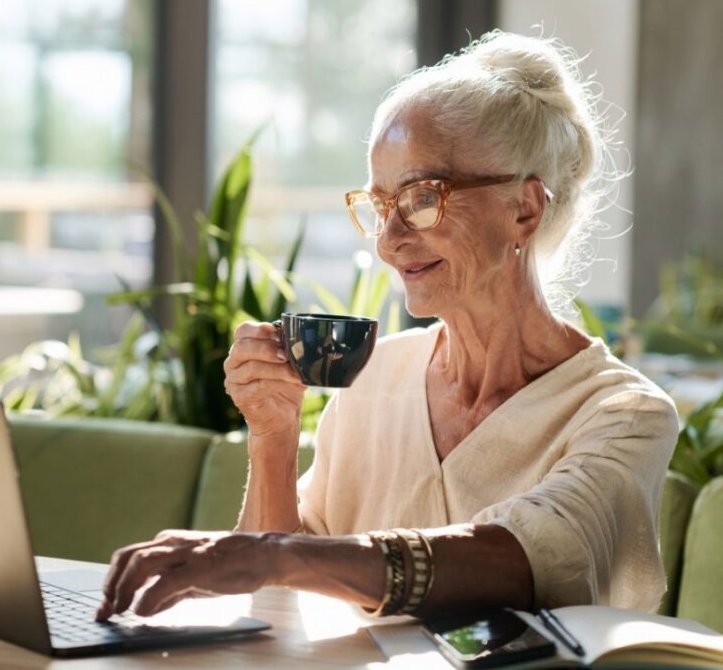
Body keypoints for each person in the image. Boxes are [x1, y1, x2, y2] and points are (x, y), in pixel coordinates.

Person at [96, 31, 678, 623]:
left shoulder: (622, 414)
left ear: (523, 209)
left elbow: (527, 559)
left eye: (422, 198)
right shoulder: (372, 379)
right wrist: (273, 439)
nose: (389, 240)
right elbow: (278, 603)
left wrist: (276, 555)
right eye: (379, 206)